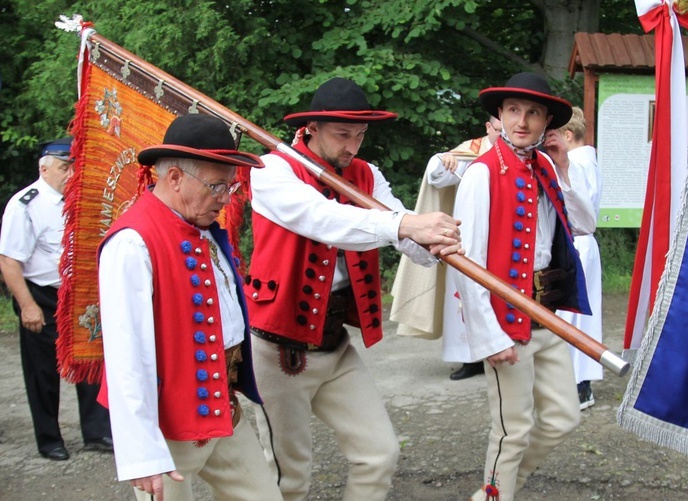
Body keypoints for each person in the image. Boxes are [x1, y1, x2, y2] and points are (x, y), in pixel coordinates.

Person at [246, 77, 463, 501]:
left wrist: (434, 245)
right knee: (289, 478)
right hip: (278, 349)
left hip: (335, 345)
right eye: (343, 135)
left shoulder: (367, 174)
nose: (353, 146)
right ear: (311, 127)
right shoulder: (272, 170)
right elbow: (324, 220)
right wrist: (404, 224)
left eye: (360, 135)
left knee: (378, 454)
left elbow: (400, 229)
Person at [97, 115, 283, 501]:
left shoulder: (203, 227)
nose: (226, 197)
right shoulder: (133, 242)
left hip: (220, 409)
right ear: (175, 178)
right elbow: (126, 354)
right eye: (217, 185)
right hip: (168, 428)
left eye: (230, 186)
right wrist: (142, 454)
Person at [454, 73, 596, 501]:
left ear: (547, 121)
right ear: (499, 115)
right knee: (511, 430)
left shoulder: (548, 165)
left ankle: (494, 489)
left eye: (533, 112)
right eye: (514, 110)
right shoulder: (481, 174)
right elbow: (467, 262)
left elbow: (584, 224)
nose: (522, 120)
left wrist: (565, 167)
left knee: (562, 417)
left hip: (548, 316)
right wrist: (488, 337)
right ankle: (499, 493)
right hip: (506, 321)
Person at [0, 137, 113, 461]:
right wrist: (27, 305)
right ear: (44, 168)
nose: (70, 174)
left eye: (74, 167)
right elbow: (9, 260)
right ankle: (49, 438)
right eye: (65, 167)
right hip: (42, 295)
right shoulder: (25, 204)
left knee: (89, 360)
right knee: (42, 371)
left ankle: (96, 431)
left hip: (78, 295)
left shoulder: (80, 201)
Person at [390, 116, 503, 381]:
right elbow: (437, 175)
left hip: (498, 238)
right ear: (488, 127)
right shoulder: (473, 150)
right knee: (460, 297)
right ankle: (468, 357)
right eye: (498, 130)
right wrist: (441, 159)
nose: (503, 135)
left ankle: (500, 350)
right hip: (466, 239)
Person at [555, 106, 603, 410]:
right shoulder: (587, 161)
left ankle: (576, 383)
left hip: (576, 243)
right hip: (582, 245)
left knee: (570, 315)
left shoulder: (575, 164)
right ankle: (575, 382)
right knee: (579, 315)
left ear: (567, 135)